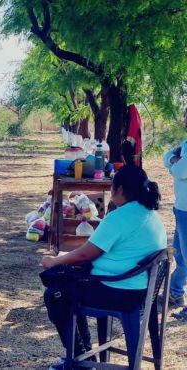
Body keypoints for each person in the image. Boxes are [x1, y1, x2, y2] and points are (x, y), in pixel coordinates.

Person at [40, 165, 166, 370]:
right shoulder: (150, 214)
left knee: (56, 293)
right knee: (67, 284)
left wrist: (54, 261)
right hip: (140, 290)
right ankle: (82, 355)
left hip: (117, 291)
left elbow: (85, 253)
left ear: (120, 189)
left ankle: (79, 358)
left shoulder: (119, 217)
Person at [163, 140, 187, 320]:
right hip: (181, 208)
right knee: (180, 256)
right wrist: (174, 159)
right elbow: (167, 156)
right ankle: (175, 293)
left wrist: (174, 165)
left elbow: (181, 171)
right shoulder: (185, 141)